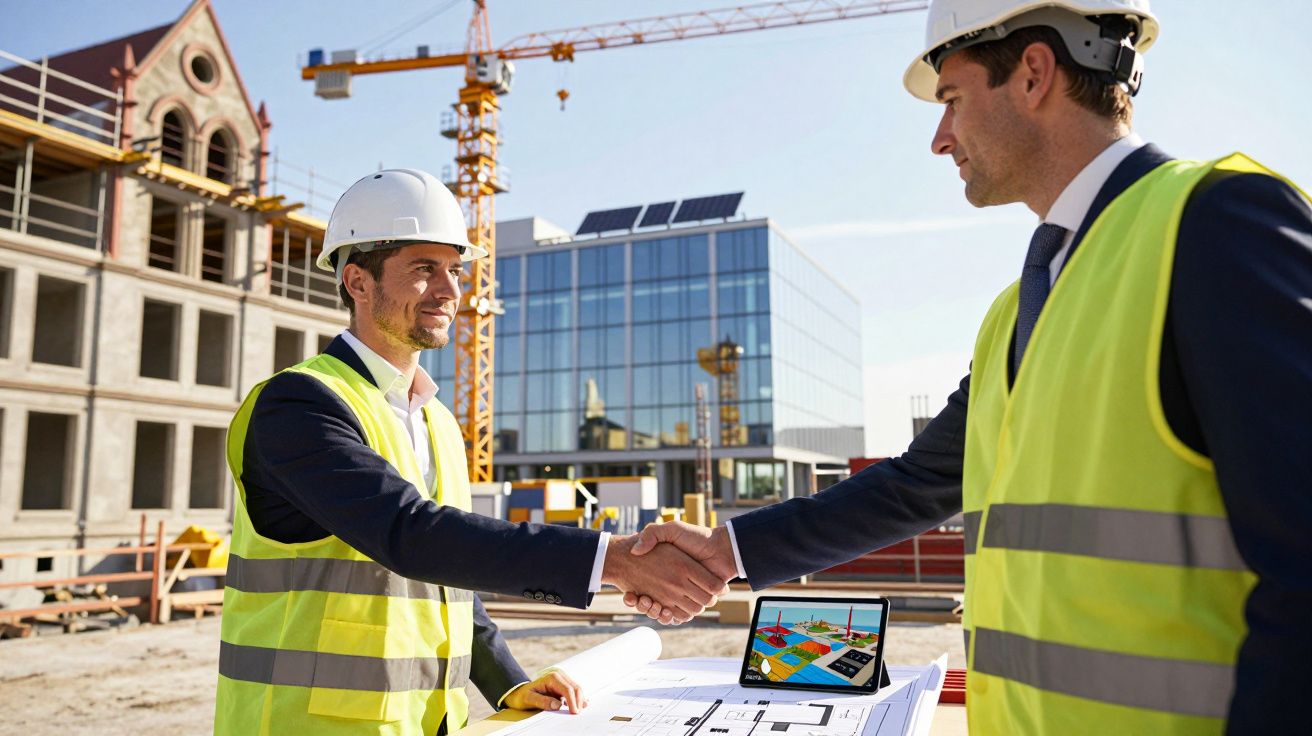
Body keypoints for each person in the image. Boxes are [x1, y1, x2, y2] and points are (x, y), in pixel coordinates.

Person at [626, 0, 1312, 732]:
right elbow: (914, 486)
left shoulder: (1216, 225)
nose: (939, 138)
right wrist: (725, 550)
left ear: (1034, 75)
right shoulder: (1017, 310)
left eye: (952, 99)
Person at [213, 169, 727, 735]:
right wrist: (616, 558)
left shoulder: (435, 418)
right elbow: (410, 535)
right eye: (423, 269)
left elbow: (445, 574)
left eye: (455, 270)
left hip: (427, 724)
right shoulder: (298, 404)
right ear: (357, 282)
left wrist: (507, 680)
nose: (450, 290)